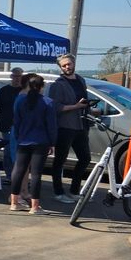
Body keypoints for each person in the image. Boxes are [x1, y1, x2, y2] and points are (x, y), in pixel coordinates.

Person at [9, 73, 57, 215]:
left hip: (23, 140)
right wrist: (52, 142)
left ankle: (14, 203)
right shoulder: (48, 102)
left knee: (18, 171)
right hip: (41, 142)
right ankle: (35, 207)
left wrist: (18, 137)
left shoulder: (20, 101)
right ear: (42, 87)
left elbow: (16, 122)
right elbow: (51, 125)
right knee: (36, 174)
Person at [47, 53, 92, 204]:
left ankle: (74, 191)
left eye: (69, 64)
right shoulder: (57, 85)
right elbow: (55, 107)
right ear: (60, 67)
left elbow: (83, 100)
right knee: (60, 160)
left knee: (85, 158)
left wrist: (88, 108)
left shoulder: (81, 80)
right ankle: (58, 192)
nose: (67, 67)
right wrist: (76, 106)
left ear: (74, 64)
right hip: (65, 127)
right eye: (64, 65)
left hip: (81, 125)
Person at [0, 67, 24, 176]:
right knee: (9, 151)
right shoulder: (4, 90)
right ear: (11, 77)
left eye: (19, 76)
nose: (17, 78)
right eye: (15, 76)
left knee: (20, 152)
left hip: (22, 127)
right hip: (6, 126)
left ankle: (18, 175)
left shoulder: (24, 91)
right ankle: (10, 175)